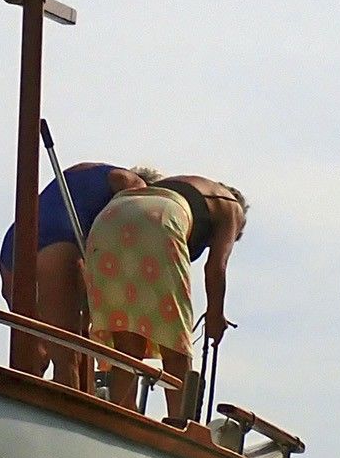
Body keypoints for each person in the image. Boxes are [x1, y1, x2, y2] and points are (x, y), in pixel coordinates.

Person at [83, 174, 247, 418]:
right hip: (160, 219)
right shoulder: (232, 208)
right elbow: (216, 268)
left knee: (127, 340)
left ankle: (117, 414)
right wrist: (215, 314)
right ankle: (180, 424)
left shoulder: (191, 185)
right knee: (175, 344)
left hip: (110, 219)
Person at [0, 162, 159, 383]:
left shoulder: (86, 171)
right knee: (70, 359)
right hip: (57, 242)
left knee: (33, 355)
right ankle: (71, 410)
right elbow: (133, 234)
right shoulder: (134, 185)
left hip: (14, 245)